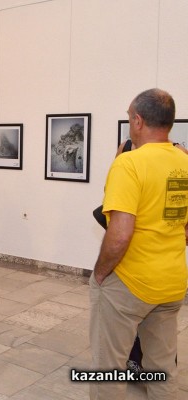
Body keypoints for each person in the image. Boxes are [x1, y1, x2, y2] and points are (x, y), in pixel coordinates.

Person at [90, 88, 188, 399]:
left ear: (138, 120)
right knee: (162, 369)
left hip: (131, 283)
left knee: (109, 370)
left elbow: (119, 234)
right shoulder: (185, 161)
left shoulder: (129, 164)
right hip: (172, 281)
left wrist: (101, 274)